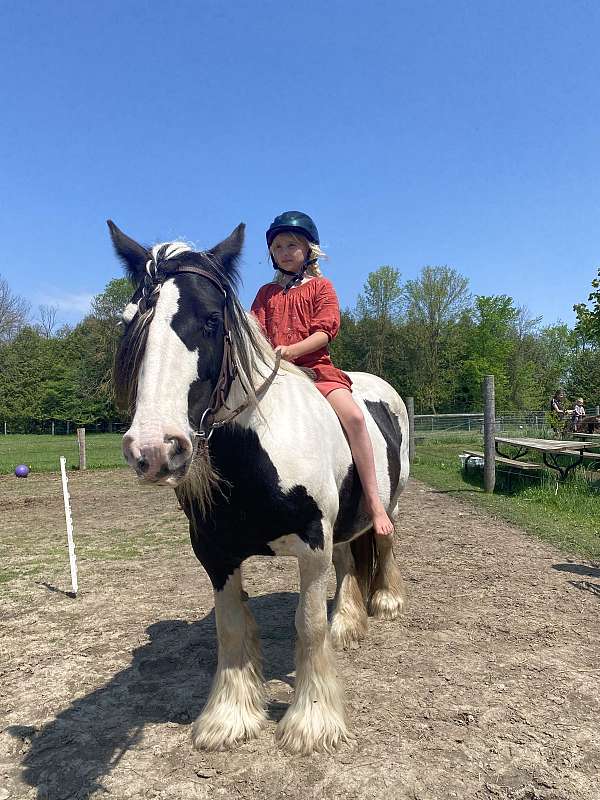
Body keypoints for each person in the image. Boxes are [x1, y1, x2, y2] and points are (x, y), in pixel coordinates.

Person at [250, 211, 394, 537]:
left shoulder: (321, 288)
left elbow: (324, 333)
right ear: (270, 253)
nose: (284, 251)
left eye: (292, 245)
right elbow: (254, 329)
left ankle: (373, 501)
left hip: (315, 370)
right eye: (278, 246)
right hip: (273, 372)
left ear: (308, 250)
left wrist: (292, 351)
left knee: (355, 417)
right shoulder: (265, 294)